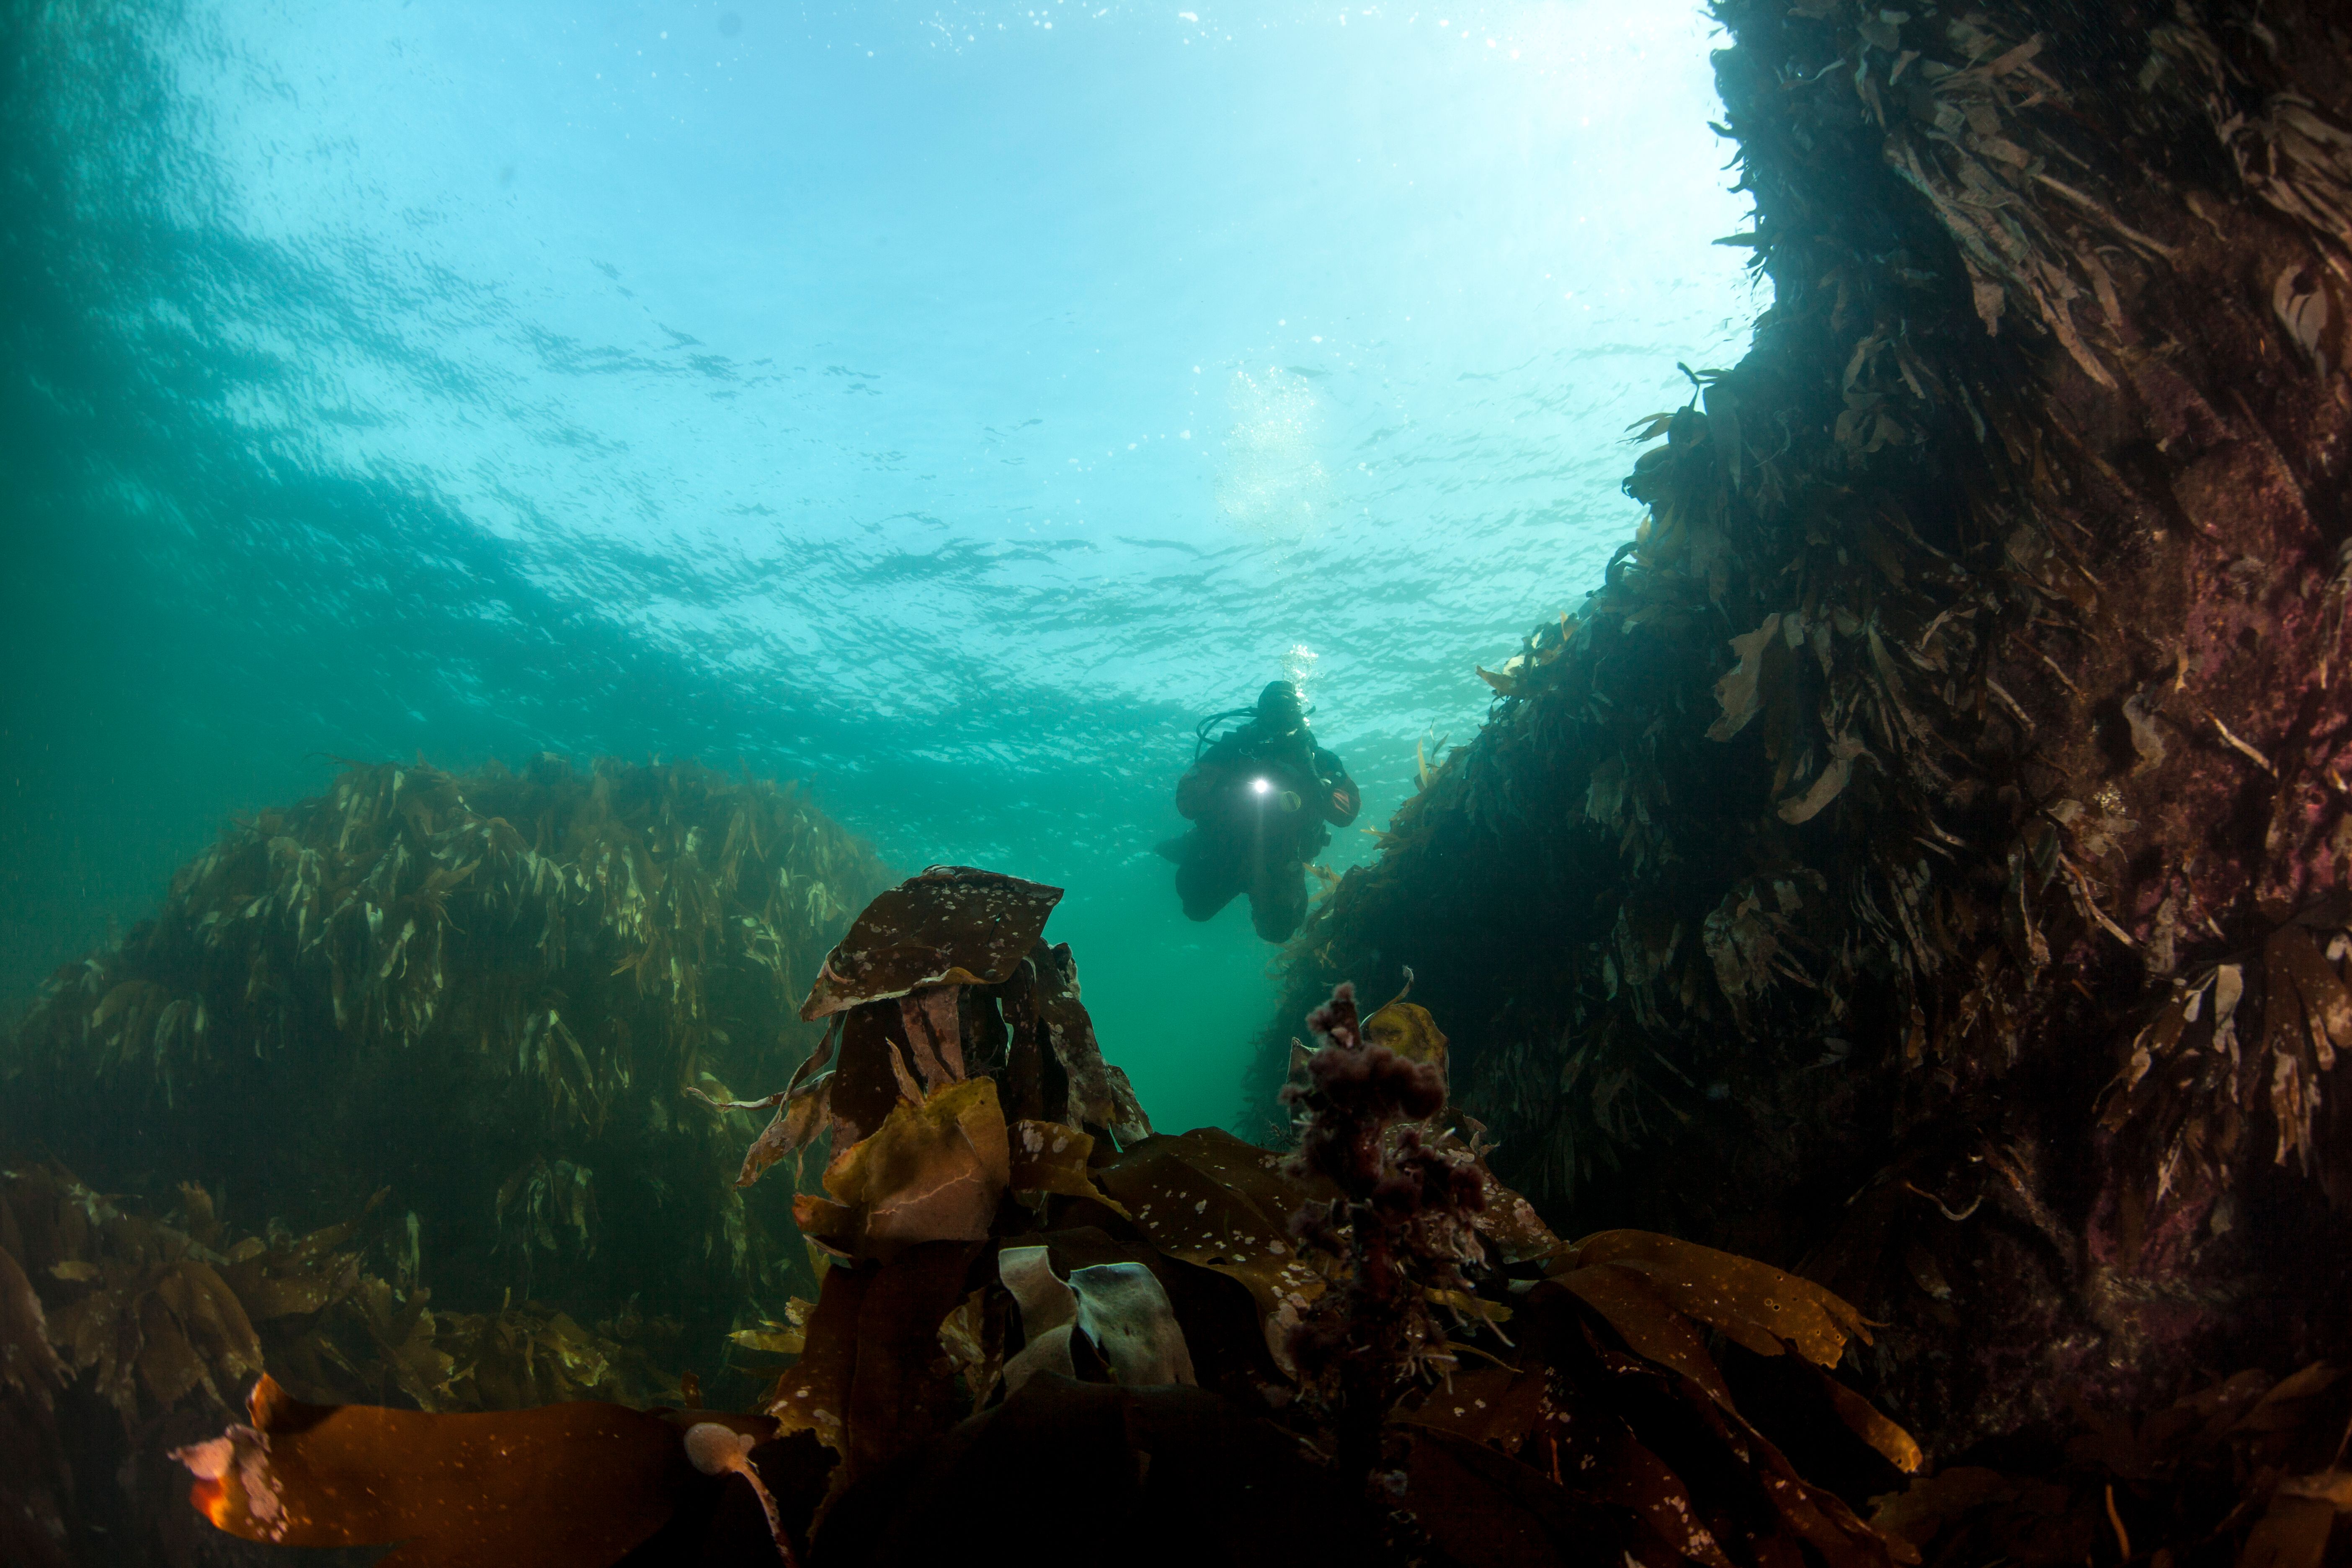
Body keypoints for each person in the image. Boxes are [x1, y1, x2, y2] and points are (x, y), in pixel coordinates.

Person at [1160, 680, 1359, 942]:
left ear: (1299, 716)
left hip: (1282, 861)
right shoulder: (1233, 749)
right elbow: (1186, 803)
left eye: (1287, 711)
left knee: (1279, 930)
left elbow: (1346, 816)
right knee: (1195, 908)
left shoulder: (1319, 761)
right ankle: (1193, 843)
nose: (1280, 719)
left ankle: (1200, 849)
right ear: (1259, 714)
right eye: (1273, 711)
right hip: (1226, 847)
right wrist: (1230, 788)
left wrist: (1324, 791)